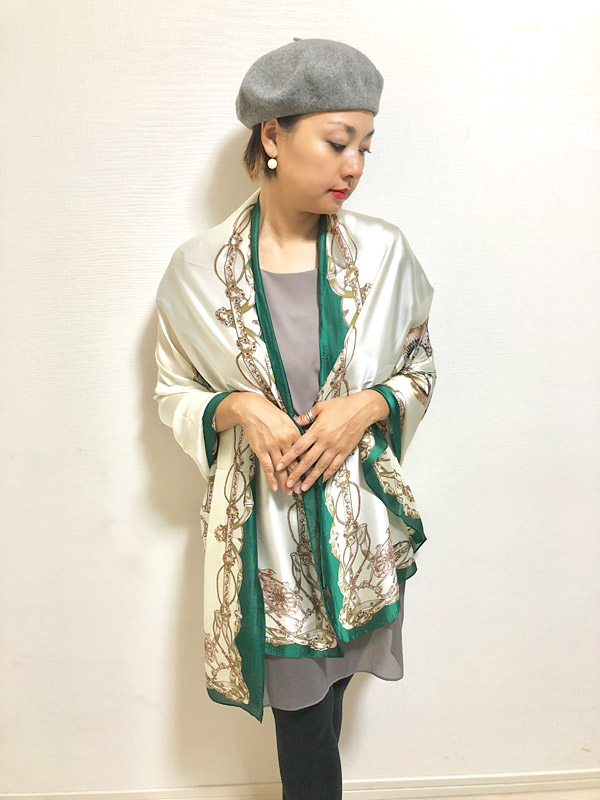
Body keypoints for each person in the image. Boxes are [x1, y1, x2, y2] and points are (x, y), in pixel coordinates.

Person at [153, 37, 437, 800]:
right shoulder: (197, 270)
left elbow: (419, 367)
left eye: (365, 146)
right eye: (338, 142)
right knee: (302, 719)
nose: (355, 165)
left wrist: (366, 406)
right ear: (272, 136)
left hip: (356, 528)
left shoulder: (384, 255)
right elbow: (173, 390)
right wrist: (239, 406)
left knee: (327, 707)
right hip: (265, 537)